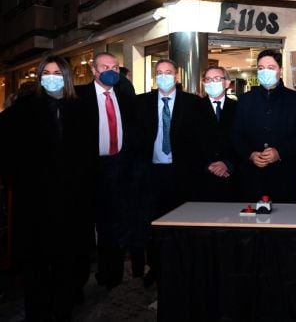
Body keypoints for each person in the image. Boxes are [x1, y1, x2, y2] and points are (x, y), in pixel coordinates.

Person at [0, 55, 95, 321]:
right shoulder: (24, 108)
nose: (51, 76)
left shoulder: (80, 109)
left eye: (56, 72)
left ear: (66, 77)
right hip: (35, 202)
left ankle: (63, 308)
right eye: (46, 72)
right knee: (36, 263)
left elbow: (89, 157)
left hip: (72, 202)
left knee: (68, 259)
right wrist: (16, 179)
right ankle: (37, 311)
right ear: (41, 77)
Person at [135, 58, 208, 286]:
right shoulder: (141, 103)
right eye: (159, 72)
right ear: (154, 76)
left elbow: (200, 141)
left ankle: (182, 267)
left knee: (181, 223)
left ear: (177, 76)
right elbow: (135, 139)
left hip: (182, 175)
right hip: (152, 174)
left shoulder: (194, 103)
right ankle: (156, 267)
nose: (163, 76)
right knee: (153, 224)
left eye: (168, 72)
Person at [76, 52, 138, 291]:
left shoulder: (125, 97)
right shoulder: (78, 97)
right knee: (83, 227)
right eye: (104, 66)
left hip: (118, 168)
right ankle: (78, 280)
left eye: (114, 66)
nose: (110, 70)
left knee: (113, 225)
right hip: (88, 170)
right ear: (94, 70)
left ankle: (110, 275)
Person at [232, 49, 296, 203]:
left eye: (271, 67)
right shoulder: (245, 100)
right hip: (251, 177)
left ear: (280, 71)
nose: (265, 72)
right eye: (261, 68)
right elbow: (236, 135)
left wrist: (279, 152)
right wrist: (250, 154)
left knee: (284, 223)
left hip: (285, 177)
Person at [197, 65, 239, 201]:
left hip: (233, 178)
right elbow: (186, 142)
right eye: (208, 79)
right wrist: (207, 165)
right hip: (201, 179)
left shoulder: (239, 108)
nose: (211, 83)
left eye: (216, 79)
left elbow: (245, 140)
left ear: (227, 83)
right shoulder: (193, 108)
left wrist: (228, 164)